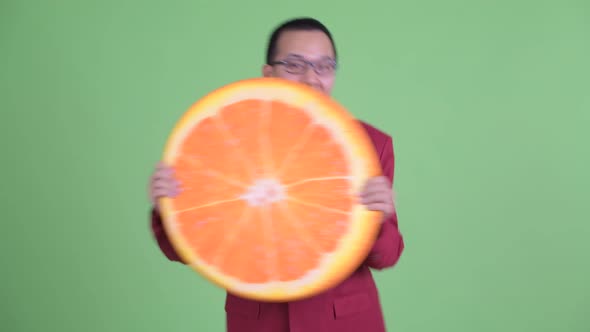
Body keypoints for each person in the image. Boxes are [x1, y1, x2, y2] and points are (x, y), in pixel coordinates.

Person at [148, 17, 405, 332]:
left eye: (325, 66)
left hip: (346, 322)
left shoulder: (370, 146)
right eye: (295, 65)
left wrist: (379, 220)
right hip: (259, 323)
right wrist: (168, 208)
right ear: (268, 74)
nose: (311, 79)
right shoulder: (228, 142)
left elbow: (387, 256)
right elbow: (185, 249)